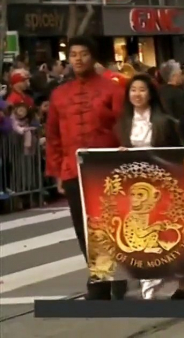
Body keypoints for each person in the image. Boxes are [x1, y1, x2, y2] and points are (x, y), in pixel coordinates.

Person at [45, 36, 127, 300]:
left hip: (107, 167)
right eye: (73, 55)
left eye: (83, 54)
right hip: (73, 169)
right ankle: (100, 278)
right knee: (84, 227)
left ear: (93, 57)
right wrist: (57, 170)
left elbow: (124, 126)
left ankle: (116, 273)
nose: (78, 59)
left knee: (111, 224)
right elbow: (53, 135)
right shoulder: (59, 94)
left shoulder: (112, 89)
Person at [114, 73, 184, 299]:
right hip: (137, 188)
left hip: (163, 186)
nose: (137, 94)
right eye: (133, 90)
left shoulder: (165, 122)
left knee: (170, 236)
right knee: (142, 237)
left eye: (142, 90)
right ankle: (150, 281)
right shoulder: (123, 123)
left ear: (151, 93)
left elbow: (176, 153)